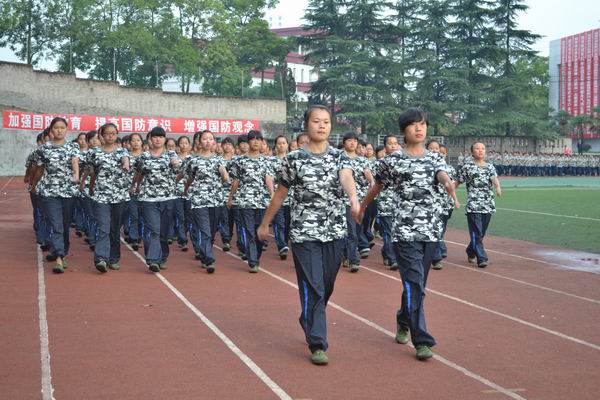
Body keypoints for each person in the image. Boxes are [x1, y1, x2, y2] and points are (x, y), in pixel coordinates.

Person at [258, 105, 358, 366]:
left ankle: (308, 317)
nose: (322, 125)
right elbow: (280, 194)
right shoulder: (293, 159)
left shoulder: (340, 157)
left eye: (326, 121)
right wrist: (265, 223)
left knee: (327, 284)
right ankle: (317, 342)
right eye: (316, 121)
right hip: (304, 233)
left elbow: (346, 177)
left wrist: (354, 198)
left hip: (334, 231)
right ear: (306, 125)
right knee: (314, 285)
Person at [360, 107, 458, 361]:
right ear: (404, 129)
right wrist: (362, 206)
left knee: (417, 284)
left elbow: (442, 174)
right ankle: (421, 340)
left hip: (430, 231)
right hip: (404, 231)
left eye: (423, 124)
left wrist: (447, 183)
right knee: (415, 283)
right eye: (414, 124)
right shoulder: (392, 160)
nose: (419, 128)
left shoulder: (436, 158)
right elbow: (378, 186)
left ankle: (403, 319)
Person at [30, 117, 80, 273]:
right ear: (51, 130)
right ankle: (59, 257)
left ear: (66, 130)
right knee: (56, 224)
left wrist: (76, 175)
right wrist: (34, 185)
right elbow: (39, 169)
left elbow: (75, 162)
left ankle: (62, 251)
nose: (59, 130)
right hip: (49, 191)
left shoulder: (73, 146)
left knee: (65, 224)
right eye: (56, 127)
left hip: (68, 191)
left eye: (62, 127)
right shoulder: (43, 149)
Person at [131, 127, 182, 272]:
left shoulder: (171, 154)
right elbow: (138, 174)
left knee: (164, 232)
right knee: (154, 229)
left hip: (168, 198)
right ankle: (153, 259)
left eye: (160, 137)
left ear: (164, 139)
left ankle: (163, 256)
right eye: (155, 137)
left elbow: (179, 170)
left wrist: (176, 165)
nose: (158, 139)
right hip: (149, 199)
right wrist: (134, 185)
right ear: (150, 139)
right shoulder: (144, 156)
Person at [227, 130, 274, 273]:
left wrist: (272, 194)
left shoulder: (266, 160)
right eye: (253, 139)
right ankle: (253, 261)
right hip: (245, 201)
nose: (255, 142)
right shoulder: (240, 161)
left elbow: (268, 178)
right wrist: (230, 197)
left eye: (258, 139)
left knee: (259, 231)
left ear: (262, 142)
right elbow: (236, 180)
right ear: (248, 142)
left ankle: (256, 255)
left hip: (262, 201)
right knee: (249, 230)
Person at [184, 130, 229, 273]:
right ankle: (209, 259)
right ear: (199, 142)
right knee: (205, 230)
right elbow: (190, 177)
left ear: (214, 142)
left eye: (210, 139)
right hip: (199, 200)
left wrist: (224, 176)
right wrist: (185, 189)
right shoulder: (193, 160)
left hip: (216, 200)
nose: (208, 141)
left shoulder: (219, 160)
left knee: (212, 230)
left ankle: (204, 253)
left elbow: (224, 173)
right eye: (205, 139)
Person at [88, 123, 130, 272]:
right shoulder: (94, 153)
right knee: (103, 227)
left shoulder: (122, 151)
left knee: (115, 229)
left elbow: (126, 160)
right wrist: (90, 188)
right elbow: (92, 172)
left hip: (119, 196)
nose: (110, 136)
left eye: (113, 133)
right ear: (102, 135)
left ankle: (113, 258)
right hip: (101, 196)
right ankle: (101, 258)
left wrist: (126, 165)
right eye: (107, 133)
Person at [456, 141, 501, 268]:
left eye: (482, 148)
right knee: (476, 232)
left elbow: (494, 178)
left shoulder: (490, 167)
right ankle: (482, 258)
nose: (480, 151)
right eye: (477, 148)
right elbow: (458, 181)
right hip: (473, 205)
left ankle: (471, 251)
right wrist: (450, 192)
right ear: (472, 152)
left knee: (481, 233)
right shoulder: (467, 167)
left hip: (488, 204)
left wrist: (498, 187)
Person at [340, 131, 374, 272]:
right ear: (344, 143)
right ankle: (353, 260)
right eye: (349, 140)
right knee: (350, 231)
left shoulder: (362, 160)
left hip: (359, 202)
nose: (352, 143)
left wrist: (372, 181)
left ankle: (347, 255)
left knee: (355, 230)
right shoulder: (338, 158)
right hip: (342, 201)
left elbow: (368, 173)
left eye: (355, 141)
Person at [427, 141, 456, 270]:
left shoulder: (449, 169)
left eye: (437, 148)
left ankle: (437, 250)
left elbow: (452, 186)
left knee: (440, 230)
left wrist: (455, 199)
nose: (434, 150)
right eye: (431, 148)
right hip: (429, 204)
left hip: (445, 204)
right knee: (434, 230)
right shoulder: (423, 165)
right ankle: (436, 257)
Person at [376, 135, 401, 271]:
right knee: (388, 231)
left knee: (397, 232)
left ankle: (386, 252)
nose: (393, 146)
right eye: (390, 143)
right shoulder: (380, 163)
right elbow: (377, 184)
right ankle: (392, 259)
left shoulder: (404, 161)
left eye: (395, 143)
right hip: (385, 203)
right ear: (385, 147)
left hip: (400, 204)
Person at [269, 135, 292, 259]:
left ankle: (285, 243)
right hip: (277, 198)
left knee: (288, 224)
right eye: (279, 143)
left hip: (291, 198)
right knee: (279, 223)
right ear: (275, 145)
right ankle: (281, 245)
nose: (281, 145)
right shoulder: (271, 161)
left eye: (284, 143)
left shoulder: (293, 159)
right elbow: (269, 178)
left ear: (287, 145)